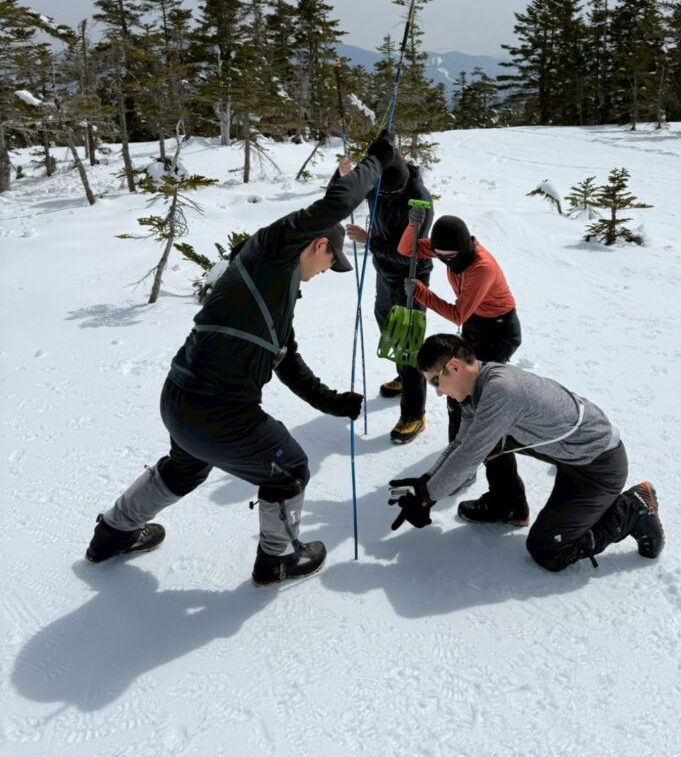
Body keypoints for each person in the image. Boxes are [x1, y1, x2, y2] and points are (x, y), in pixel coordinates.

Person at [84, 131, 396, 588]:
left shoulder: (277, 292)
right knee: (289, 468)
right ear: (320, 246)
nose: (329, 271)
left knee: (184, 468)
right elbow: (334, 207)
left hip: (181, 402)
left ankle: (111, 534)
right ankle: (279, 560)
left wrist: (332, 403)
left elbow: (287, 361)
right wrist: (377, 161)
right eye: (333, 263)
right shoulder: (271, 250)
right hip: (218, 410)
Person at [388, 334, 665, 572]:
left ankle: (633, 509)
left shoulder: (501, 391)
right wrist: (427, 481)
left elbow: (468, 457)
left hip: (598, 467)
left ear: (455, 367)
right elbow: (462, 444)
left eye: (436, 382)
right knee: (487, 439)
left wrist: (426, 497)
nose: (437, 393)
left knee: (547, 550)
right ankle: (508, 504)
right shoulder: (477, 389)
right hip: (570, 458)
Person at [398, 209, 521, 502]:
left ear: (464, 247)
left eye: (450, 256)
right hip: (476, 325)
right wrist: (412, 225)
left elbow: (457, 313)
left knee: (472, 400)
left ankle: (467, 466)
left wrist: (421, 294)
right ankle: (459, 456)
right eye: (440, 256)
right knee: (457, 398)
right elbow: (406, 249)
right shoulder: (447, 250)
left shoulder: (482, 268)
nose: (446, 260)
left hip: (499, 331)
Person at [339, 149, 433, 444]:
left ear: (400, 186)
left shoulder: (419, 204)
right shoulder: (380, 178)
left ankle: (414, 414)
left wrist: (370, 241)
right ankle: (405, 378)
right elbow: (354, 188)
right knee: (386, 323)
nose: (382, 195)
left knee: (408, 345)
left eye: (389, 192)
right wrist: (345, 174)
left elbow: (408, 254)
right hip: (385, 272)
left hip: (409, 277)